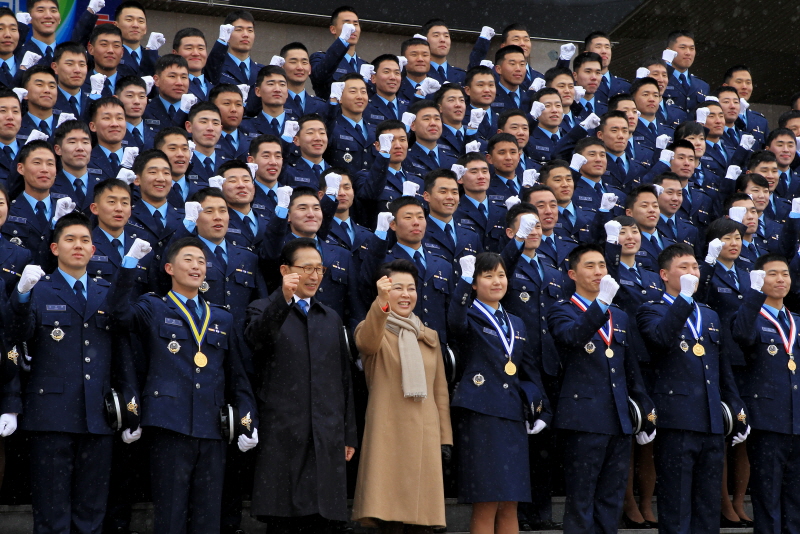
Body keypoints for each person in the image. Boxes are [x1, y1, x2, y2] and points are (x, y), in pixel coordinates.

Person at [10, 210, 140, 534]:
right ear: (55, 248)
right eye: (70, 239)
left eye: (85, 240)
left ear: (94, 250)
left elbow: (122, 355)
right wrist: (21, 297)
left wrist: (130, 408)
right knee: (52, 513)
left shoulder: (106, 293)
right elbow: (18, 337)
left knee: (91, 513)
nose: (78, 246)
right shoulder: (37, 289)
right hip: (51, 416)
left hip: (97, 416)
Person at [245, 238, 357, 534]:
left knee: (323, 519)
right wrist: (282, 300)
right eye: (306, 268)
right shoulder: (262, 308)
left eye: (319, 269)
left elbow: (343, 380)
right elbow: (258, 340)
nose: (315, 275)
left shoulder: (329, 317)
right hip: (284, 434)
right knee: (285, 518)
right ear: (285, 270)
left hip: (325, 435)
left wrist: (348, 433)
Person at [637, 243, 749, 534]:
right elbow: (660, 339)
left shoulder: (709, 314)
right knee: (677, 504)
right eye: (683, 268)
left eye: (695, 267)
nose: (692, 273)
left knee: (708, 505)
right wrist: (684, 299)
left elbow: (722, 368)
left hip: (711, 419)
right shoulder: (651, 309)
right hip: (677, 418)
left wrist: (736, 409)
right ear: (663, 274)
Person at [548, 243, 655, 533]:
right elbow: (572, 337)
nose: (598, 272)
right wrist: (601, 305)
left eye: (602, 266)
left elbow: (630, 368)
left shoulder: (618, 316)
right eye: (590, 266)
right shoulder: (562, 311)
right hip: (583, 418)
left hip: (618, 418)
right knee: (582, 499)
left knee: (611, 499)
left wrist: (645, 409)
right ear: (572, 273)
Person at [448, 250, 551, 534]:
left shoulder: (515, 322)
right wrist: (462, 282)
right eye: (488, 275)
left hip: (512, 415)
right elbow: (454, 322)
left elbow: (527, 370)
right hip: (480, 414)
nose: (497, 281)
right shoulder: (468, 314)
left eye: (501, 275)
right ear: (474, 282)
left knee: (510, 502)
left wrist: (544, 409)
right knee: (486, 501)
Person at [352, 260, 452, 533]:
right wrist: (381, 303)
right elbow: (366, 342)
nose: (406, 294)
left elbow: (439, 393)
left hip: (424, 438)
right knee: (390, 521)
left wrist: (445, 439)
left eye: (411, 288)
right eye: (397, 288)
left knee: (421, 524)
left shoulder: (428, 336)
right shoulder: (373, 328)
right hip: (389, 437)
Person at [732, 254, 800, 534]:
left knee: (795, 501)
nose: (780, 279)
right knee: (767, 499)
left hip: (796, 421)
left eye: (784, 273)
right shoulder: (749, 317)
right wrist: (753, 294)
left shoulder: (796, 320)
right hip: (768, 421)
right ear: (759, 278)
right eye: (772, 274)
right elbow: (741, 335)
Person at [310, 5, 364, 100]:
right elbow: (320, 75)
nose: (352, 28)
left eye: (356, 24)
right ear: (333, 29)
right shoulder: (321, 58)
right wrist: (342, 40)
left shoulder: (365, 65)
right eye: (347, 24)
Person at [172, 28, 213, 102]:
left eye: (200, 48)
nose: (196, 53)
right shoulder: (171, 86)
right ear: (175, 53)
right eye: (189, 48)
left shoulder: (215, 87)